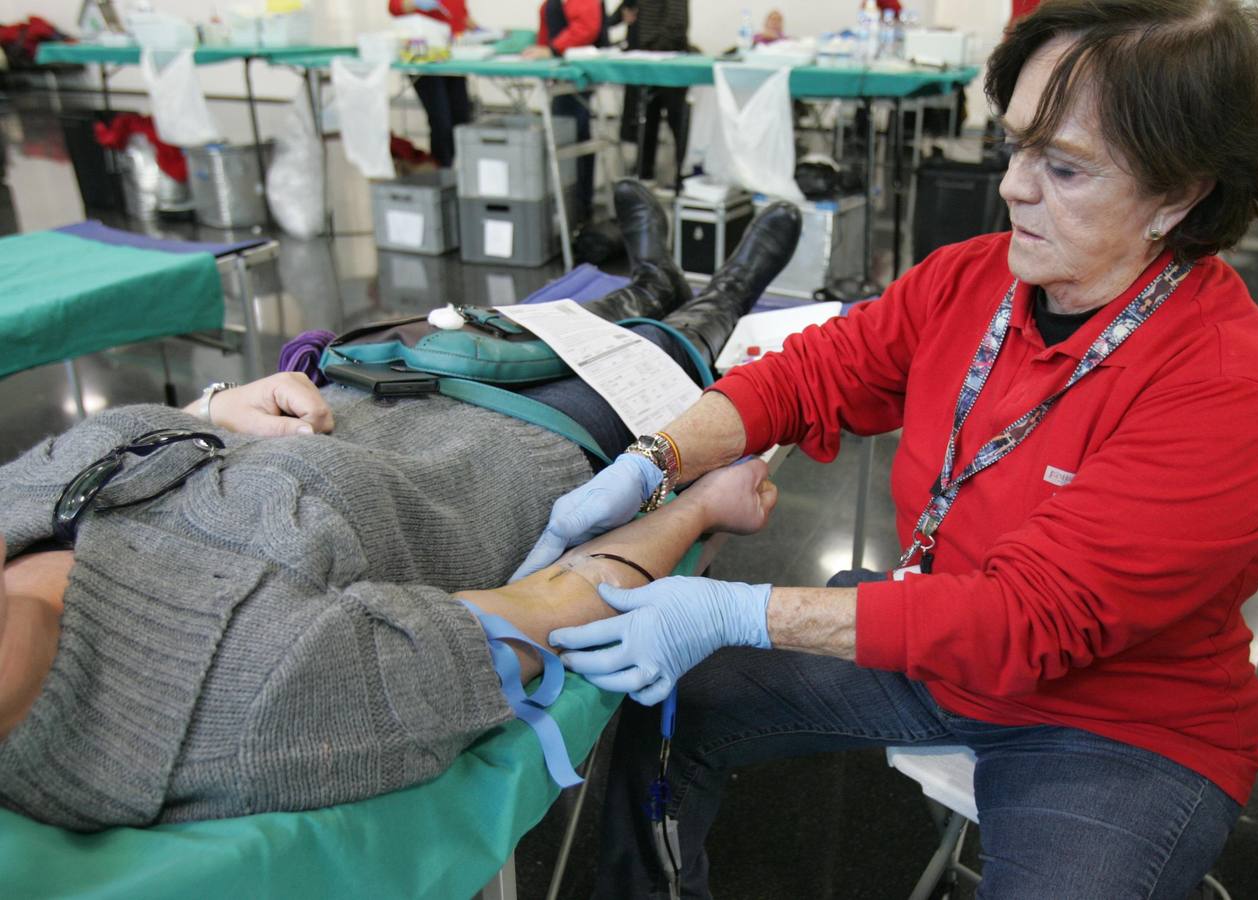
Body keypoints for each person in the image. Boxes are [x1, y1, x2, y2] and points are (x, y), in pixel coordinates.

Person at [516, 1, 1258, 896]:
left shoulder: (1223, 390)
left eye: (1063, 167)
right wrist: (657, 460)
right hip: (937, 646)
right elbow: (810, 374)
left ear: (1183, 191)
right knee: (671, 705)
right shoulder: (973, 280)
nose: (1015, 186)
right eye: (1012, 146)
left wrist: (734, 611)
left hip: (1113, 725)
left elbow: (1028, 620)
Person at [0, 183, 803, 832]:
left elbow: (144, 454)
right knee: (665, 346)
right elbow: (547, 609)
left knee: (578, 318)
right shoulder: (245, 704)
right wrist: (697, 509)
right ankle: (731, 291)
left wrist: (216, 407)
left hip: (388, 376)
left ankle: (652, 269)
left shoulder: (13, 515)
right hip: (521, 447)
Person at [521, 0, 609, 222]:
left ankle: (578, 208)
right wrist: (541, 51)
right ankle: (572, 207)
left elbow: (586, 28)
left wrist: (552, 49)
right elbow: (547, 25)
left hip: (575, 76)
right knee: (566, 136)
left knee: (573, 138)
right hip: (561, 76)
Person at [390, 0, 477, 168]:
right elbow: (395, 7)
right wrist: (416, 3)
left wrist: (483, 32)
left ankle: (462, 172)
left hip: (451, 60)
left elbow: (461, 16)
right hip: (424, 61)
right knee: (441, 120)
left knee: (461, 117)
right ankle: (442, 172)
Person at [617, 1, 691, 182]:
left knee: (677, 123)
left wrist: (651, 49)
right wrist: (624, 14)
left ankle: (683, 178)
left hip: (668, 64)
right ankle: (644, 176)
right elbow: (623, 10)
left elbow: (676, 25)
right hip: (648, 64)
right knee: (647, 122)